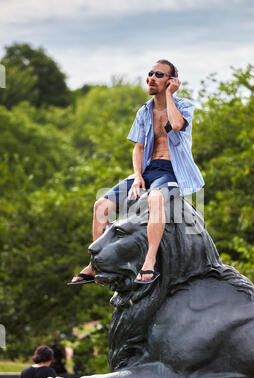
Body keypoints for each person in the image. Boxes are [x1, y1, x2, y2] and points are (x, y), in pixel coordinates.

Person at [70, 59, 204, 285]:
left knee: (155, 198)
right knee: (100, 206)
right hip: (148, 169)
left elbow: (177, 125)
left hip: (172, 171)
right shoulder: (144, 111)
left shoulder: (184, 106)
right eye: (150, 73)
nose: (150, 78)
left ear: (171, 81)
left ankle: (149, 261)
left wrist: (169, 96)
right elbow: (138, 148)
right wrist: (138, 176)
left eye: (158, 75)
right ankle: (96, 264)